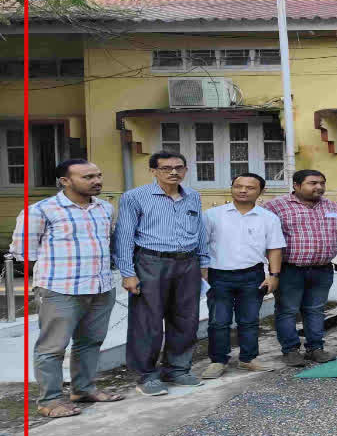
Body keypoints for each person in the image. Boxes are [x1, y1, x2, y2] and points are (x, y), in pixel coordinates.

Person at [12, 159, 124, 418]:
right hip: (60, 290)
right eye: (87, 177)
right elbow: (24, 254)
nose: (96, 181)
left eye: (98, 175)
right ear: (65, 181)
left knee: (91, 342)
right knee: (52, 348)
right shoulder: (40, 211)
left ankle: (83, 389)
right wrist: (49, 281)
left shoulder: (105, 209)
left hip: (100, 286)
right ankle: (50, 401)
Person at [115, 151, 211, 396]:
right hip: (151, 261)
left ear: (186, 170)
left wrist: (203, 262)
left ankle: (177, 369)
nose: (173, 172)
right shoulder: (135, 197)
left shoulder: (192, 196)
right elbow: (124, 236)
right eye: (166, 168)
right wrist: (127, 272)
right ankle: (146, 375)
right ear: (153, 171)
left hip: (187, 262)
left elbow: (199, 230)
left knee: (186, 318)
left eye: (179, 167)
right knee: (148, 321)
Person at [200, 173, 285, 379]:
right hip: (218, 276)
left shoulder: (268, 218)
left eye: (249, 187)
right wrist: (204, 274)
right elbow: (201, 247)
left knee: (249, 320)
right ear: (232, 188)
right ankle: (218, 361)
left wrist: (273, 275)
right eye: (238, 186)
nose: (243, 190)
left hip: (252, 275)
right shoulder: (212, 215)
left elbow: (274, 249)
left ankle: (248, 358)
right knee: (218, 321)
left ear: (260, 191)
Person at [263, 170, 337, 367]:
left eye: (322, 183)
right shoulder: (275, 206)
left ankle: (315, 348)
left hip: (322, 269)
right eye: (312, 183)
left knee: (315, 310)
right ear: (296, 185)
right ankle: (290, 350)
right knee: (287, 310)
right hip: (290, 269)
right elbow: (263, 236)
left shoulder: (332, 206)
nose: (319, 187)